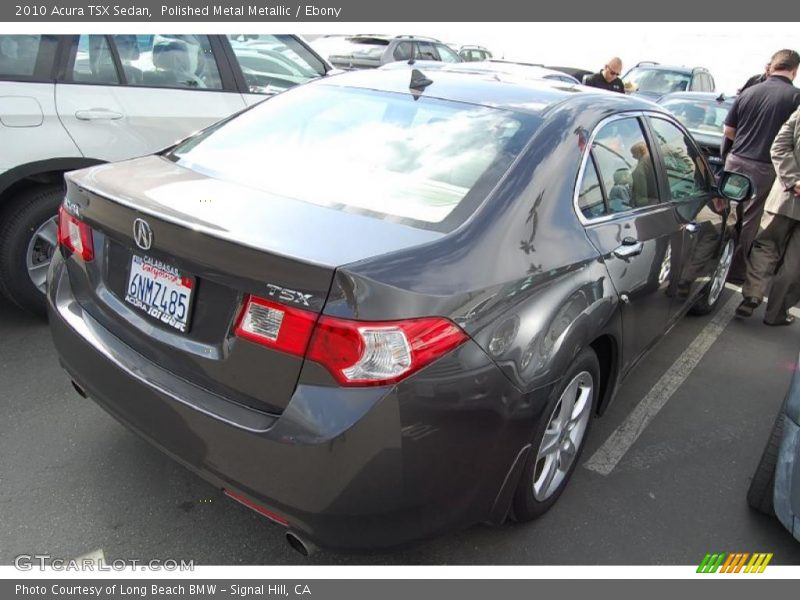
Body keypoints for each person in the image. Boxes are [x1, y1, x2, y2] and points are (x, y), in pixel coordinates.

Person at [721, 49, 800, 283]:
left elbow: (728, 130)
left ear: (772, 67)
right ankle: (734, 271)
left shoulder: (750, 91)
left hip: (736, 159)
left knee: (726, 213)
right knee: (749, 221)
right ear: (794, 71)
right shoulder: (795, 97)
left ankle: (710, 259)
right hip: (765, 168)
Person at [737, 106, 800, 325]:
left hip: (784, 196)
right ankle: (776, 314)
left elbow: (780, 146)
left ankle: (753, 294)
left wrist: (793, 180)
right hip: (788, 192)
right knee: (796, 261)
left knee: (766, 245)